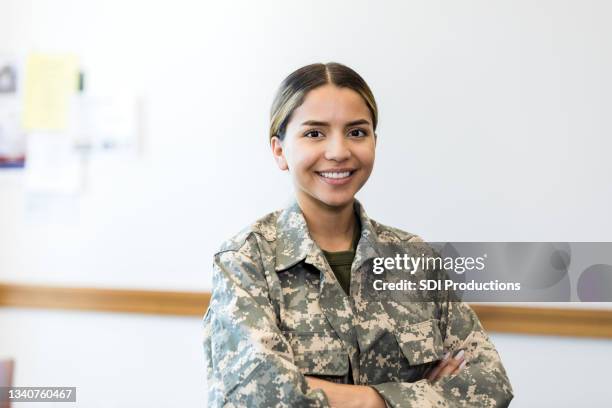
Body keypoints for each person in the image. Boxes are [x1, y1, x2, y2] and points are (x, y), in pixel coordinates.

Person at [203, 62, 514, 407]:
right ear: (279, 150)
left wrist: (360, 399)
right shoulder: (245, 261)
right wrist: (416, 397)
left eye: (356, 132)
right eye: (314, 133)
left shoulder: (416, 259)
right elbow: (260, 397)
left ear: (374, 143)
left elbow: (490, 386)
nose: (338, 151)